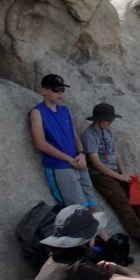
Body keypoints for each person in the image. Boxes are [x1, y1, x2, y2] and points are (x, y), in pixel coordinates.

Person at [82, 103, 140, 244]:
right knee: (122, 202)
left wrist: (123, 173)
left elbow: (115, 153)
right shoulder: (88, 135)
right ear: (99, 119)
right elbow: (96, 163)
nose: (111, 122)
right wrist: (119, 177)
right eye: (109, 120)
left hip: (115, 170)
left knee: (136, 193)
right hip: (100, 174)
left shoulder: (108, 131)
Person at [30, 74, 98, 211]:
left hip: (78, 162)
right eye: (56, 90)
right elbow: (40, 144)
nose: (60, 93)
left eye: (62, 90)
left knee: (92, 205)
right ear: (44, 91)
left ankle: (104, 234)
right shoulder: (37, 112)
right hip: (60, 166)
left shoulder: (65, 110)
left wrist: (81, 153)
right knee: (78, 210)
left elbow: (74, 135)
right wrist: (68, 159)